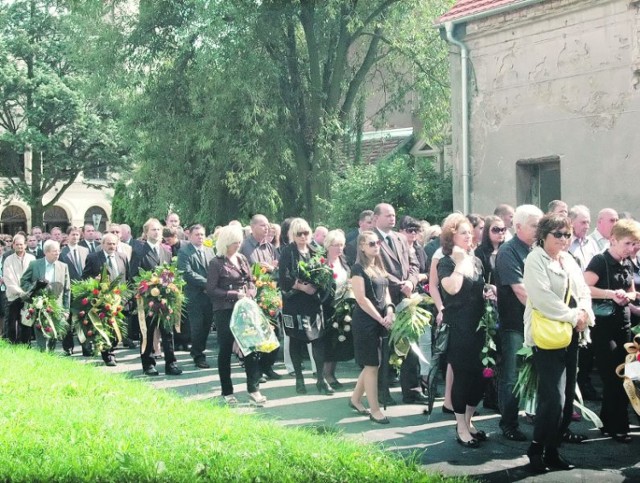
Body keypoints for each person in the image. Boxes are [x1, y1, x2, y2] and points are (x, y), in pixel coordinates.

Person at [523, 214, 593, 473]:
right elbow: (542, 297)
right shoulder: (535, 259)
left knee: (565, 402)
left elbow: (583, 290)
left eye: (567, 234)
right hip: (548, 336)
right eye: (558, 235)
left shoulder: (568, 259)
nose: (564, 240)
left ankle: (552, 451)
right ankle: (536, 448)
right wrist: (575, 315)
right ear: (543, 235)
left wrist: (584, 312)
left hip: (572, 333)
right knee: (552, 398)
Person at [438, 213, 493, 448]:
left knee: (480, 379)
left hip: (480, 327)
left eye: (470, 232)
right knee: (463, 377)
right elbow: (452, 288)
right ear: (451, 236)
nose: (469, 236)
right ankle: (460, 426)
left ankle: (469, 422)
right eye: (463, 233)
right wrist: (461, 262)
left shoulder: (477, 260)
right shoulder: (446, 262)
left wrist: (488, 291)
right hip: (460, 329)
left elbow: (475, 289)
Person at [584, 219, 640, 443]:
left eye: (635, 244)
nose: (631, 248)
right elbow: (584, 287)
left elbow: (632, 290)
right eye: (627, 243)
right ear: (613, 240)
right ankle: (619, 426)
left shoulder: (626, 262)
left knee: (624, 375)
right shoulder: (599, 261)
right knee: (613, 376)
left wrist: (629, 296)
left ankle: (609, 422)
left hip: (623, 325)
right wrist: (610, 293)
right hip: (603, 327)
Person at [495, 204, 543, 442]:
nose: (539, 229)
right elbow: (520, 290)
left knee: (536, 372)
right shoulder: (508, 250)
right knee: (512, 375)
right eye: (534, 225)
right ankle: (509, 423)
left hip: (536, 321)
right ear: (518, 226)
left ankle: (536, 417)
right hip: (515, 322)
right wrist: (547, 311)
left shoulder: (537, 249)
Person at [207, 224, 264, 405]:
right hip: (224, 310)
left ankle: (253, 388)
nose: (238, 246)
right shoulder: (216, 263)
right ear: (225, 243)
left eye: (239, 242)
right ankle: (227, 391)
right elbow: (211, 289)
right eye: (234, 243)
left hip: (244, 309)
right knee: (225, 349)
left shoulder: (242, 259)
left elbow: (250, 280)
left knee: (251, 348)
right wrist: (233, 294)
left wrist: (252, 290)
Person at [373, 203, 422, 406]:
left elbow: (414, 264)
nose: (392, 219)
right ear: (376, 218)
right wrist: (399, 283)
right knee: (383, 349)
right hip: (383, 299)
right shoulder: (370, 239)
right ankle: (382, 392)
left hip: (405, 297)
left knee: (410, 345)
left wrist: (411, 281)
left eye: (394, 215)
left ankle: (412, 390)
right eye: (388, 215)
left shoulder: (400, 238)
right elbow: (374, 267)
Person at [279, 218, 331, 395]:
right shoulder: (288, 252)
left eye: (306, 233)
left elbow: (324, 272)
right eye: (299, 234)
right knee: (295, 339)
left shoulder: (316, 251)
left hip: (312, 303)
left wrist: (318, 284)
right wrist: (302, 286)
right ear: (293, 235)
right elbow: (283, 277)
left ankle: (320, 379)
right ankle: (299, 379)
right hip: (294, 302)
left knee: (318, 339)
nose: (303, 237)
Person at [349, 231, 395, 424]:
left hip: (380, 320)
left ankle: (355, 399)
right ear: (361, 246)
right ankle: (375, 410)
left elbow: (386, 294)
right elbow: (361, 299)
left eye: (378, 243)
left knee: (371, 364)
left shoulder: (378, 267)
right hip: (365, 322)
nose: (376, 246)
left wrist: (390, 311)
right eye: (371, 243)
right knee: (372, 365)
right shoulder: (358, 268)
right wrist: (380, 318)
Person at [130, 218, 183, 377]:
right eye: (153, 230)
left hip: (165, 298)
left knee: (168, 332)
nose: (157, 232)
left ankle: (171, 363)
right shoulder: (139, 251)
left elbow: (170, 273)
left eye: (159, 229)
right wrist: (147, 289)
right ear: (146, 233)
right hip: (147, 299)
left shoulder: (166, 251)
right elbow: (134, 276)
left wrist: (169, 287)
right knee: (147, 332)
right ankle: (148, 364)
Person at [240, 214, 281, 380]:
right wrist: (256, 268)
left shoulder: (270, 247)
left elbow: (278, 269)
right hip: (253, 295)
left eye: (268, 225)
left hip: (270, 295)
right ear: (253, 227)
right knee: (255, 334)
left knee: (274, 332)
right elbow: (242, 269)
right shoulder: (245, 246)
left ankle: (267, 366)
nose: (267, 228)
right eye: (263, 225)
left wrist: (271, 268)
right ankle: (256, 370)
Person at [82, 233, 129, 366]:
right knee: (106, 327)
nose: (111, 246)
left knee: (116, 327)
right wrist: (94, 281)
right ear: (102, 244)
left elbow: (128, 277)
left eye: (114, 244)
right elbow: (84, 277)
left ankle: (111, 349)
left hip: (119, 300)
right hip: (102, 300)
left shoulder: (123, 257)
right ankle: (108, 355)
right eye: (108, 243)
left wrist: (127, 297)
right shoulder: (93, 258)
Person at [20, 240, 71, 352]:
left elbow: (67, 290)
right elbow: (23, 281)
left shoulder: (63, 266)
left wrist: (66, 310)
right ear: (46, 252)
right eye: (54, 251)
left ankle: (50, 354)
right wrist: (35, 288)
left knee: (53, 333)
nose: (57, 253)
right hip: (39, 305)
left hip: (56, 306)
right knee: (40, 331)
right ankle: (42, 353)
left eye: (58, 251)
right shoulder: (35, 264)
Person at [178, 224, 215, 370]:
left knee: (207, 326)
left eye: (202, 234)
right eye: (197, 234)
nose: (200, 237)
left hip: (209, 297)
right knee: (197, 327)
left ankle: (199, 350)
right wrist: (208, 284)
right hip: (195, 296)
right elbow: (186, 273)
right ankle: (198, 355)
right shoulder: (184, 251)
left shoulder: (210, 251)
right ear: (189, 236)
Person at [322, 229, 353, 388]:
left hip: (342, 307)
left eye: (341, 245)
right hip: (327, 308)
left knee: (337, 342)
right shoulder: (322, 263)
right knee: (328, 343)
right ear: (328, 246)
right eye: (336, 245)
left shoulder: (344, 261)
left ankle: (331, 373)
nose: (339, 248)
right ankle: (326, 375)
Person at [59, 226, 90, 356]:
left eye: (77, 235)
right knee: (68, 320)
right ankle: (68, 347)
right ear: (67, 236)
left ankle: (86, 347)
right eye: (73, 234)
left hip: (83, 291)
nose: (75, 237)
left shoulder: (85, 250)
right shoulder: (62, 253)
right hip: (69, 291)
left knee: (84, 319)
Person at [3, 235, 36, 344]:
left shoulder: (32, 258)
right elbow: (8, 279)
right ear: (13, 245)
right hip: (14, 296)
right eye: (17, 244)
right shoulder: (8, 259)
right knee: (12, 324)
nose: (19, 246)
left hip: (28, 296)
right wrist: (20, 292)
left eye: (21, 244)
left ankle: (26, 345)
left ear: (25, 245)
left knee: (26, 323)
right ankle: (13, 345)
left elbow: (34, 277)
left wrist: (29, 292)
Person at [475, 215, 506, 285]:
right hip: (489, 292)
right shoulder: (479, 252)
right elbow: (478, 278)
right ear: (487, 231)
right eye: (496, 230)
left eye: (503, 229)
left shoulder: (508, 250)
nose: (500, 233)